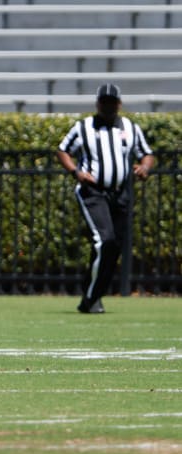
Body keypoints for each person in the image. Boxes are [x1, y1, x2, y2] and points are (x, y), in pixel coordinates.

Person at [56, 83, 154, 314]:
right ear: (97, 103)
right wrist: (76, 172)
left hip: (120, 194)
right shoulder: (84, 127)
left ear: (119, 104)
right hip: (93, 192)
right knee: (104, 241)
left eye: (112, 102)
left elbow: (146, 153)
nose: (108, 106)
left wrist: (145, 168)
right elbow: (62, 150)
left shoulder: (129, 127)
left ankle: (93, 294)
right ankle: (90, 298)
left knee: (113, 248)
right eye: (104, 102)